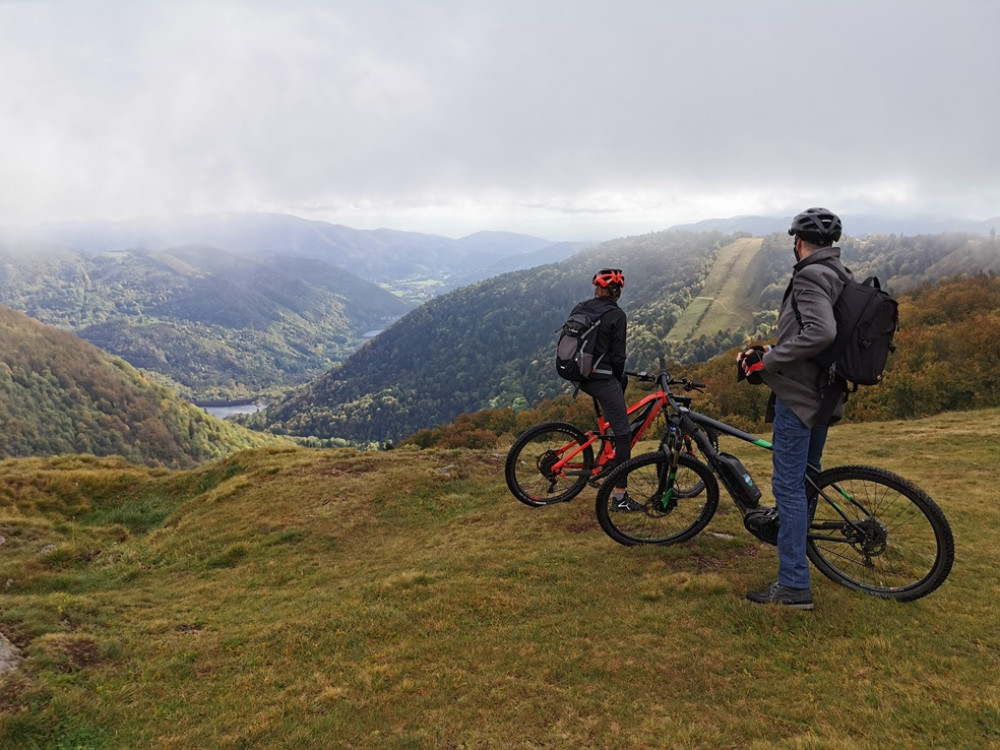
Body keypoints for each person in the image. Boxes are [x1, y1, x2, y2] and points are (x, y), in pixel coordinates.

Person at [737, 208, 852, 610]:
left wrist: (768, 363)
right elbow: (815, 336)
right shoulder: (839, 273)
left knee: (787, 485)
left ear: (798, 243)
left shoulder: (808, 275)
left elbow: (822, 331)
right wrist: (774, 349)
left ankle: (793, 585)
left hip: (800, 396)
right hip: (826, 391)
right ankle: (799, 557)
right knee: (806, 478)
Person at [576, 268, 639, 511]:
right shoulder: (616, 315)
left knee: (616, 396)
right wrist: (618, 375)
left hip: (579, 375)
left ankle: (605, 451)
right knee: (624, 436)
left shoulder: (583, 307)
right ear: (615, 291)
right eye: (618, 289)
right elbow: (618, 356)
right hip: (600, 378)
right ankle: (620, 498)